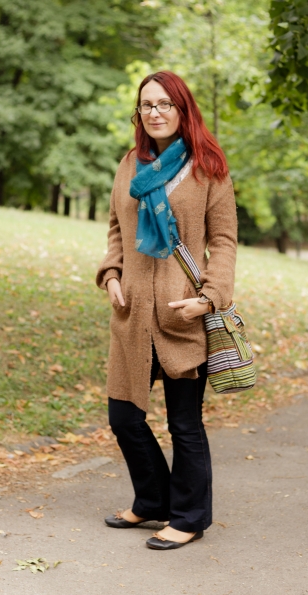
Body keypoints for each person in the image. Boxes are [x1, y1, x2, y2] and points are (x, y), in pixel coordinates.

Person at [96, 71, 237, 550]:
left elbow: (223, 241)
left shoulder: (208, 168)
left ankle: (190, 516)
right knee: (124, 417)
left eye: (164, 104)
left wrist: (208, 297)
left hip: (183, 316)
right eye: (146, 106)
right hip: (132, 312)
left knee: (184, 424)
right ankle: (153, 499)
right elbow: (117, 225)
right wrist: (112, 273)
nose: (154, 113)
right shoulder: (130, 163)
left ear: (182, 108)